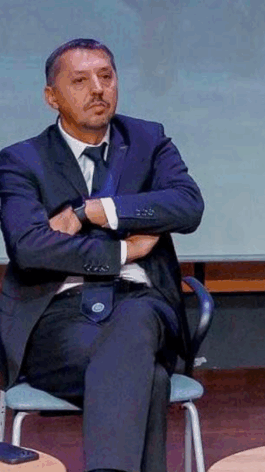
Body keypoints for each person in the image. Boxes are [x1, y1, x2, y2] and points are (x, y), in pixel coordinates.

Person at [0, 38, 204, 472]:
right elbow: (30, 247)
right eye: (80, 81)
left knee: (135, 319)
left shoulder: (148, 140)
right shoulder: (21, 161)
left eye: (106, 77)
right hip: (59, 321)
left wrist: (96, 211)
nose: (98, 89)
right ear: (51, 97)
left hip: (143, 305)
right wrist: (122, 250)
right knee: (147, 379)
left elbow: (187, 206)